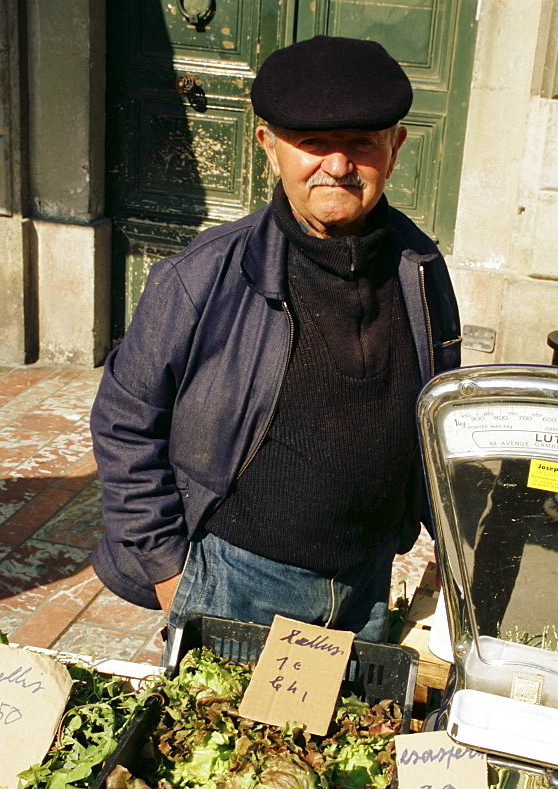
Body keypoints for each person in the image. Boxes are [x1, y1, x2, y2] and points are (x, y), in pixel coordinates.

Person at [90, 35, 461, 657]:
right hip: (238, 587)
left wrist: (453, 550)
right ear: (269, 146)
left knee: (330, 751)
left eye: (362, 144)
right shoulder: (202, 276)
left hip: (365, 587)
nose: (338, 166)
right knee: (231, 751)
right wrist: (169, 574)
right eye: (313, 144)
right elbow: (125, 421)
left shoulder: (420, 268)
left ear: (394, 149)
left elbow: (439, 416)